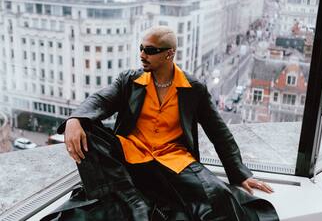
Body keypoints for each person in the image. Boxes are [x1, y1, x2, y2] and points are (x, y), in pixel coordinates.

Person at [56, 26, 278, 221]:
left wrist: (240, 174)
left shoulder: (194, 89)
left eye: (150, 51)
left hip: (174, 158)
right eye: (141, 48)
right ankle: (134, 201)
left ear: (169, 54)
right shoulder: (129, 81)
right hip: (130, 151)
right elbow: (101, 99)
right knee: (86, 127)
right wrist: (75, 119)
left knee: (219, 198)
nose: (142, 55)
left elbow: (218, 131)